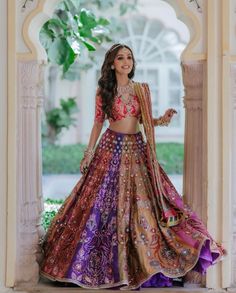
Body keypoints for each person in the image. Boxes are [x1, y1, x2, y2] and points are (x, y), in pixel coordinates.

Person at [40, 43, 225, 290]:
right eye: (120, 58)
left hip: (137, 151)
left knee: (143, 209)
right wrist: (88, 153)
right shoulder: (103, 91)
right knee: (99, 206)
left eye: (129, 57)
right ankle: (94, 267)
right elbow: (97, 124)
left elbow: (146, 121)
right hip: (109, 149)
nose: (126, 61)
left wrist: (163, 119)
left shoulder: (141, 89)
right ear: (112, 63)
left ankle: (148, 264)